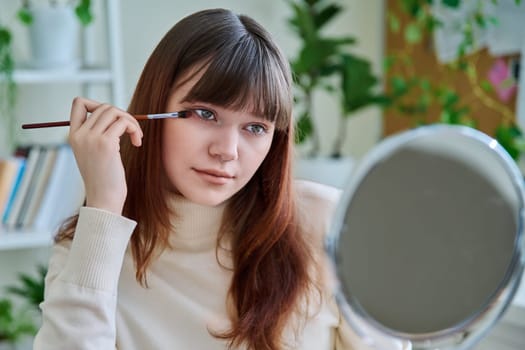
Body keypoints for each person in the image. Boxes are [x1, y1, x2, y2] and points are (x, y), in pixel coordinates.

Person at [33, 8, 406, 350]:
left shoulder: (329, 223)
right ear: (153, 109)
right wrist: (105, 204)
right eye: (204, 114)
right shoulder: (89, 249)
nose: (227, 150)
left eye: (256, 127)